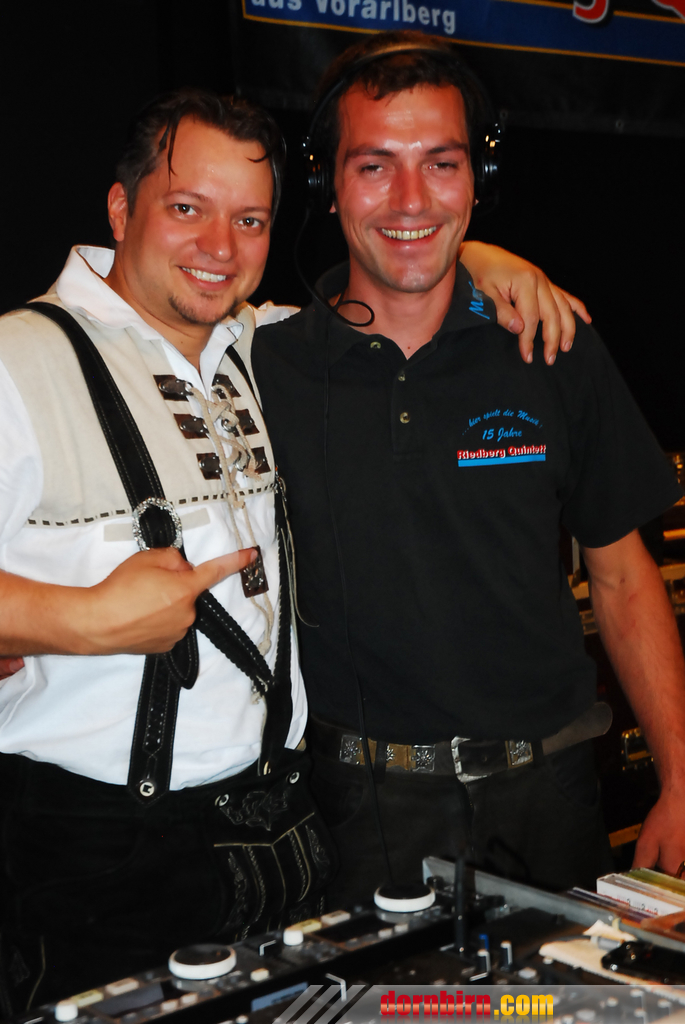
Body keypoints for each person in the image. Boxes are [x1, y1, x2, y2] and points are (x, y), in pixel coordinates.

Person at [0, 85, 584, 1008]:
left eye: (250, 220)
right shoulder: (17, 360)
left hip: (277, 832)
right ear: (120, 208)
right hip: (97, 856)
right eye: (185, 209)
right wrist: (78, 619)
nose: (218, 247)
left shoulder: (252, 341)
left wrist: (478, 254)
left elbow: (397, 278)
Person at [251, 32, 685, 911]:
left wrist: (680, 776)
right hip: (357, 813)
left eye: (441, 164)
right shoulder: (264, 365)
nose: (411, 199)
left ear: (477, 179)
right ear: (326, 183)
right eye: (374, 165)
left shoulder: (551, 342)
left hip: (549, 798)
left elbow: (622, 576)